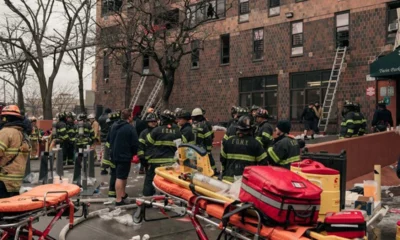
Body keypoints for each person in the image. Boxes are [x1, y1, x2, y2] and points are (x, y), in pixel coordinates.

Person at [143, 110, 182, 196]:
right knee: (167, 182)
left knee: (150, 179)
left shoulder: (156, 130)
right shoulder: (177, 131)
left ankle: (147, 199)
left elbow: (148, 142)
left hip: (155, 162)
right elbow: (181, 146)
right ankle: (166, 199)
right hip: (170, 162)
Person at [220, 115, 267, 182]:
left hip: (228, 180)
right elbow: (264, 162)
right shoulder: (255, 143)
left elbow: (222, 159)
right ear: (251, 130)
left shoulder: (229, 141)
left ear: (238, 128)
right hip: (246, 182)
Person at [0, 105, 31, 198]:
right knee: (12, 209)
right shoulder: (23, 135)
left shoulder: (6, 132)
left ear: (6, 119)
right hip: (15, 181)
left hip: (3, 180)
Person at [109, 109, 138, 205]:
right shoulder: (130, 128)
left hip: (115, 154)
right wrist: (134, 153)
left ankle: (122, 194)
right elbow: (134, 143)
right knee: (120, 177)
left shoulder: (114, 126)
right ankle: (118, 199)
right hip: (124, 155)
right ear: (129, 117)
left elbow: (109, 139)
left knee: (122, 176)